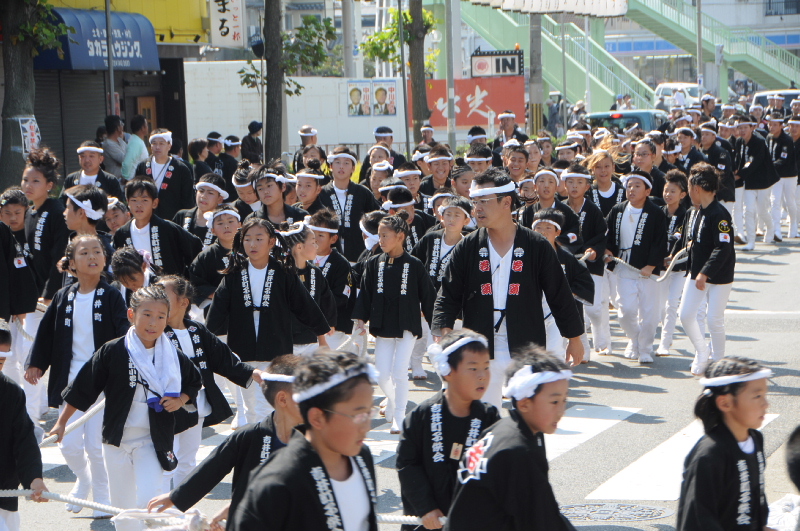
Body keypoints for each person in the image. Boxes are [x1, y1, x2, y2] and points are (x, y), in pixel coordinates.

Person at [51, 285, 203, 531]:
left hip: (152, 439)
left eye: (160, 317)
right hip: (117, 440)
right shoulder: (113, 350)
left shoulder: (172, 354)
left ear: (168, 319)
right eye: (147, 314)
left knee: (149, 499)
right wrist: (61, 423)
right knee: (122, 509)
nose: (153, 323)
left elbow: (194, 381)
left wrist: (181, 399)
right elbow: (83, 388)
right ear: (131, 315)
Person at [433, 169, 584, 408]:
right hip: (480, 343)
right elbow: (448, 293)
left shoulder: (536, 245)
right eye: (475, 202)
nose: (477, 208)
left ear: (506, 202)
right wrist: (443, 331)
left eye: (484, 201)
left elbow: (559, 294)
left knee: (527, 415)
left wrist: (574, 337)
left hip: (525, 339)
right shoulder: (469, 246)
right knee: (482, 414)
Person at [26, 234, 128, 517]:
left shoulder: (111, 295)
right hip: (69, 379)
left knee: (96, 444)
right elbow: (46, 333)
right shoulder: (64, 296)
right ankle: (83, 479)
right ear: (71, 263)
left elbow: (123, 333)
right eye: (84, 252)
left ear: (105, 259)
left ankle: (102, 497)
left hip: (101, 381)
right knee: (68, 444)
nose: (92, 256)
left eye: (97, 251)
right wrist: (35, 362)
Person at [147, 355, 302, 527]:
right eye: (308, 394)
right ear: (282, 399)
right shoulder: (249, 437)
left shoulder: (316, 440)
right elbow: (212, 469)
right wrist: (175, 497)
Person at [206, 218, 330, 423]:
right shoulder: (234, 273)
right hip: (243, 345)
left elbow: (305, 306)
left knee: (267, 404)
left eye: (259, 238)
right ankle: (259, 440)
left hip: (275, 345)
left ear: (271, 242)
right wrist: (207, 340)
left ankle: (270, 440)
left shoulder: (284, 272)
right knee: (250, 406)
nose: (252, 244)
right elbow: (217, 311)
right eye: (247, 239)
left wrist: (322, 339)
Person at [444, 347, 577, 531]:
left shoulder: (501, 431)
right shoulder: (519, 450)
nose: (561, 410)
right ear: (524, 403)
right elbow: (542, 519)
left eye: (564, 400)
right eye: (554, 402)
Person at [156, 276, 259, 490]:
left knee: (188, 459)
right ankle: (159, 506)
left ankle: (181, 503)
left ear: (184, 302)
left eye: (163, 294)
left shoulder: (197, 330)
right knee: (165, 462)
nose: (158, 299)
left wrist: (252, 373)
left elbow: (223, 358)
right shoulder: (155, 333)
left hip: (195, 404)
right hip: (166, 405)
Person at [397, 330, 501, 531]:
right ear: (447, 371)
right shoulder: (421, 416)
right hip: (428, 521)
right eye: (473, 368)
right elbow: (407, 464)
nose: (482, 376)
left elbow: (498, 469)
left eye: (486, 367)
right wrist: (426, 507)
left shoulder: (489, 417)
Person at [353, 212, 435, 433]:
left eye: (385, 235)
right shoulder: (373, 263)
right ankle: (391, 400)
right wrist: (360, 320)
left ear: (400, 236)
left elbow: (428, 297)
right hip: (382, 325)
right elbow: (365, 295)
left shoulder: (414, 264)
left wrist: (436, 326)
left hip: (407, 325)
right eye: (379, 235)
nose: (380, 240)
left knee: (399, 371)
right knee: (381, 374)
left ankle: (399, 415)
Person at [676, 357, 771, 531]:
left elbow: (755, 497)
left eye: (765, 395)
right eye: (757, 396)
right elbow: (697, 519)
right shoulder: (710, 454)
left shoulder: (755, 438)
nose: (766, 404)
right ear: (725, 403)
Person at [677, 163, 736, 376]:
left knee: (714, 319)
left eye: (689, 187)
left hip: (719, 274)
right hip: (696, 272)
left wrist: (706, 272)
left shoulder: (719, 214)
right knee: (686, 315)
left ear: (697, 188)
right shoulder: (695, 212)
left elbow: (723, 246)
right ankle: (702, 351)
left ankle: (718, 362)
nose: (689, 192)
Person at [604, 171, 668, 364]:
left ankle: (645, 349)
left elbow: (660, 242)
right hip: (624, 267)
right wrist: (607, 250)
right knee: (625, 311)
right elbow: (608, 235)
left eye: (637, 186)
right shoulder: (618, 210)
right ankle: (634, 339)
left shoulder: (656, 213)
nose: (631, 189)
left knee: (649, 314)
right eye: (629, 186)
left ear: (648, 191)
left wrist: (651, 265)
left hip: (647, 271)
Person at [532, 209, 594, 361]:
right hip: (531, 309)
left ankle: (556, 373)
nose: (543, 232)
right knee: (533, 351)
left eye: (548, 228)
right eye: (538, 227)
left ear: (557, 231)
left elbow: (582, 278)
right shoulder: (525, 254)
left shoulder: (566, 257)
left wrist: (571, 293)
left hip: (556, 309)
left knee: (555, 349)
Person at [0, 343, 49, 531]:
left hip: (4, 488)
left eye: (1, 361)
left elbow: (24, 440)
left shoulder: (10, 392)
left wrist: (34, 478)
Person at [562, 166, 609, 359]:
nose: (575, 186)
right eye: (571, 182)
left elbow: (602, 235)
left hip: (590, 264)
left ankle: (602, 335)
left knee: (594, 309)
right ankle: (583, 351)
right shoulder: (561, 208)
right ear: (564, 185)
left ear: (587, 186)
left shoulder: (593, 210)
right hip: (568, 264)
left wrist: (594, 250)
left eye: (579, 182)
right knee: (573, 307)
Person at [113, 178, 202, 276]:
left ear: (154, 203)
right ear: (128, 203)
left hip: (168, 283)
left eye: (144, 200)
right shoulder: (122, 234)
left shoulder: (168, 228)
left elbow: (196, 248)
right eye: (134, 200)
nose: (139, 205)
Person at [278, 221, 337, 356]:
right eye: (313, 242)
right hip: (285, 342)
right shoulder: (281, 274)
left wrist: (322, 339)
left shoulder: (315, 273)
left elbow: (321, 304)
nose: (317, 246)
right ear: (299, 247)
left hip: (311, 341)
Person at [321, 147, 382, 263]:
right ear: (331, 166)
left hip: (359, 255)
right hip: (327, 258)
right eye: (337, 162)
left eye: (346, 163)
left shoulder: (363, 192)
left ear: (353, 168)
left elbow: (377, 218)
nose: (341, 167)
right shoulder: (322, 193)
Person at [307, 208, 355, 350]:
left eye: (321, 235)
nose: (315, 239)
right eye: (312, 234)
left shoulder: (341, 264)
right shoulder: (303, 259)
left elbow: (341, 297)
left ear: (333, 239)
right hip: (305, 324)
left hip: (332, 326)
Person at [734, 115, 780, 250]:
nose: (742, 131)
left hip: (763, 180)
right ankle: (751, 242)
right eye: (740, 128)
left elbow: (753, 162)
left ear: (752, 128)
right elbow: (739, 159)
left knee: (762, 210)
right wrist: (735, 170)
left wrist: (740, 174)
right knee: (748, 211)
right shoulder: (739, 142)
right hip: (749, 181)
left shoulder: (759, 142)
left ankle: (770, 228)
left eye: (745, 128)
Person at [656, 170, 689, 357]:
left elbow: (680, 239)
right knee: (660, 305)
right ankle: (665, 336)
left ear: (682, 194)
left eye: (673, 191)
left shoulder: (687, 215)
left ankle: (665, 342)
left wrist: (672, 255)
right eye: (666, 190)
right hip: (660, 267)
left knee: (671, 304)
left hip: (678, 267)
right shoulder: (658, 212)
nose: (668, 194)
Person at [188, 204, 240, 317]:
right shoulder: (206, 256)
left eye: (231, 221)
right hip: (218, 310)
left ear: (240, 225)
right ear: (213, 230)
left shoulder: (250, 250)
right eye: (220, 223)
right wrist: (221, 294)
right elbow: (195, 284)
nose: (226, 226)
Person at [135, 129, 195, 220]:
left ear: (169, 145)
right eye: (154, 143)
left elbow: (188, 199)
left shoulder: (181, 168)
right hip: (147, 218)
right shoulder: (142, 166)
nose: (157, 147)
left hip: (173, 219)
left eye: (161, 143)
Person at [173, 173, 229, 249]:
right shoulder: (181, 215)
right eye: (201, 191)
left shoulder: (223, 223)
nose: (204, 196)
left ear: (220, 199)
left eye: (210, 193)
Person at [766, 112, 798, 241]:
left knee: (790, 202)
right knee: (775, 201)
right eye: (770, 124)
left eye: (775, 125)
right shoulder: (769, 137)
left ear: (781, 126)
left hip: (789, 175)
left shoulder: (787, 140)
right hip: (776, 176)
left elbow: (783, 159)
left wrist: (768, 166)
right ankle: (776, 230)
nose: (771, 127)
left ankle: (793, 227)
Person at [121, 115, 149, 182]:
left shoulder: (137, 140)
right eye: (146, 125)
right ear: (142, 128)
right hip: (132, 180)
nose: (148, 127)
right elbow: (127, 162)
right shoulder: (135, 142)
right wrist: (125, 177)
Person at [102, 115, 127, 181]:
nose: (123, 126)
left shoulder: (120, 140)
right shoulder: (108, 144)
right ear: (118, 128)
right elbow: (125, 160)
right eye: (121, 124)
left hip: (124, 180)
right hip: (114, 180)